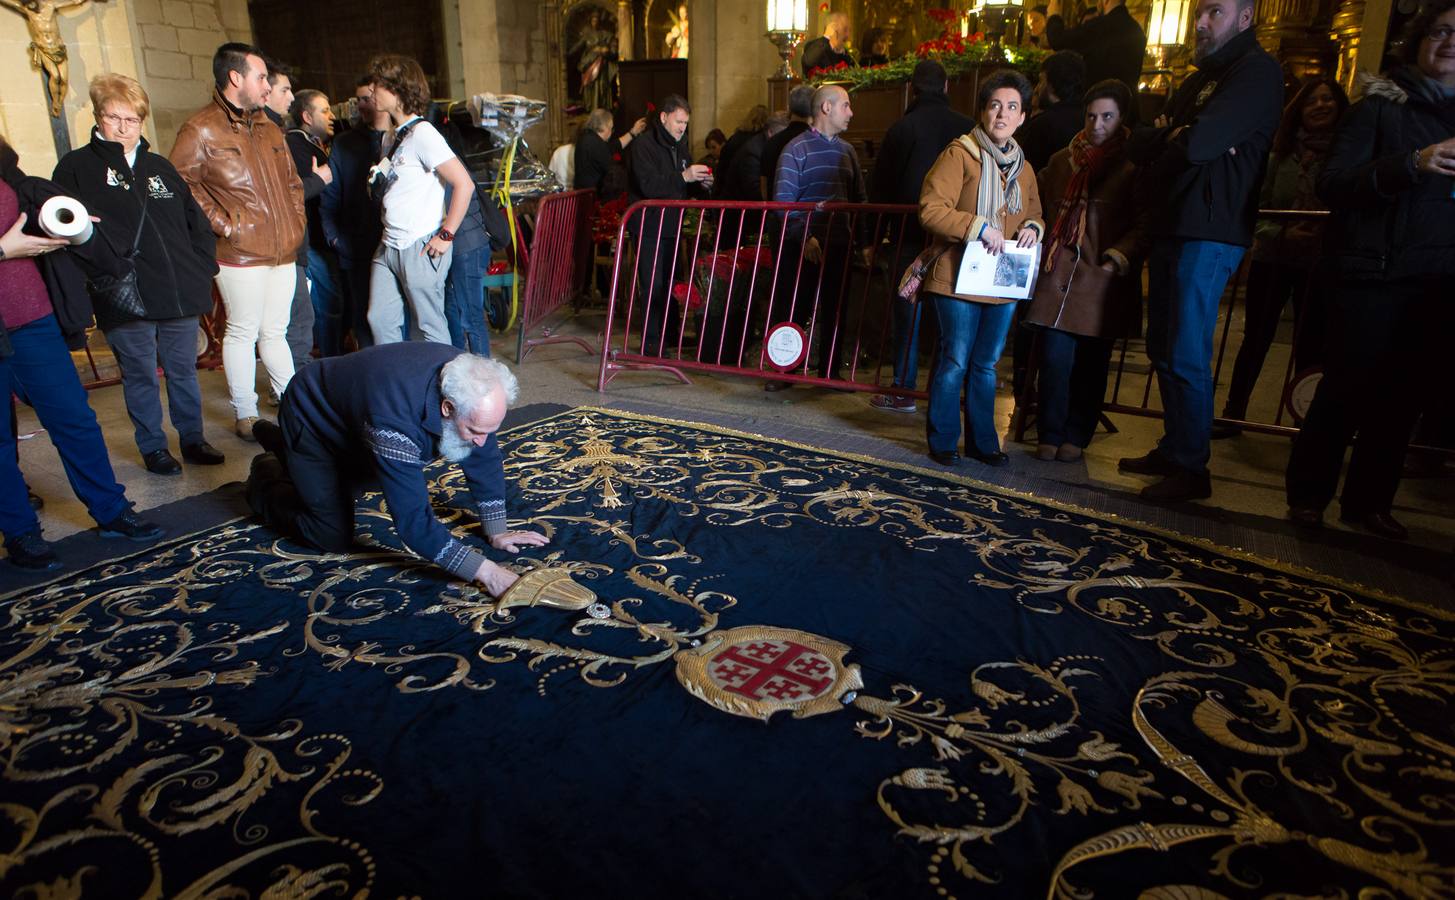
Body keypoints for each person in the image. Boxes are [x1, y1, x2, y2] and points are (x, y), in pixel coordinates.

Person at [1286, 0, 1455, 539]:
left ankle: (1369, 503)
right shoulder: (1379, 108)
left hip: (1435, 282)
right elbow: (1334, 182)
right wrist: (1411, 164)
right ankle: (1309, 496)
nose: (1450, 43)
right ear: (1419, 39)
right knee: (1346, 389)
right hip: (1371, 272)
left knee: (1402, 399)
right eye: (1441, 31)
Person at [1119, 0, 1282, 501]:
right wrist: (1176, 132)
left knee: (1186, 349)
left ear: (1246, 17)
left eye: (1214, 11)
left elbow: (1197, 143)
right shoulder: (1202, 78)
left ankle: (1193, 467)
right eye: (1200, 14)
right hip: (1176, 222)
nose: (1202, 23)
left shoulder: (1256, 74)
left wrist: (1179, 134)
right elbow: (1141, 141)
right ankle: (1175, 448)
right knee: (1163, 347)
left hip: (1211, 229)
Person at [245, 343, 548, 595]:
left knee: (369, 479)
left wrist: (497, 530)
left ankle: (283, 445)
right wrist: (488, 573)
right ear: (447, 408)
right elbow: (413, 523)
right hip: (311, 414)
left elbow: (483, 455)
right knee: (330, 533)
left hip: (352, 414)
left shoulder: (473, 384)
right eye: (474, 429)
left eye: (489, 429)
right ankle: (266, 473)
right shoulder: (394, 422)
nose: (483, 441)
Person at [1, 134, 163, 571]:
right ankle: (20, 532)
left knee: (73, 418)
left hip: (34, 320)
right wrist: (4, 250)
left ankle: (111, 511)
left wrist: (73, 226)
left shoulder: (8, 172)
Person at [51, 73, 226, 476]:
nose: (124, 128)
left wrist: (201, 268)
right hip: (122, 290)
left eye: (133, 120)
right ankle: (153, 447)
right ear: (98, 117)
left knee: (184, 371)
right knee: (140, 374)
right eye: (115, 118)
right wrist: (96, 265)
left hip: (177, 288)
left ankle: (193, 438)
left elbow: (196, 224)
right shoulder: (76, 168)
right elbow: (65, 229)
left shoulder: (159, 167)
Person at [170, 43, 306, 443]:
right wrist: (224, 224)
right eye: (261, 77)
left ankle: (293, 402)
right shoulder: (200, 128)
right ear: (236, 78)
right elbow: (179, 183)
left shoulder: (269, 126)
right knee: (243, 332)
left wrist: (296, 222)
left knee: (276, 331)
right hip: (239, 253)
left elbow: (293, 183)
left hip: (283, 248)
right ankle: (245, 413)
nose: (267, 85)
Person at [918, 69, 1044, 468]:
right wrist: (977, 226)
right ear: (983, 111)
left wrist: (1032, 228)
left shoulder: (1023, 167)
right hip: (957, 277)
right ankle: (942, 440)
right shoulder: (960, 154)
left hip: (1001, 280)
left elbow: (1037, 213)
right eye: (995, 106)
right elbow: (931, 209)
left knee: (986, 365)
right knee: (955, 359)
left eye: (1012, 107)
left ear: (1022, 117)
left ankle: (982, 443)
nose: (1002, 115)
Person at [1214, 77, 1347, 435]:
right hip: (1274, 259)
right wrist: (1283, 231)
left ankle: (1307, 420)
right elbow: (1259, 208)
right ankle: (1233, 412)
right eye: (1312, 101)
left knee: (1312, 344)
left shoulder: (1345, 157)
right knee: (1256, 337)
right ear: (1299, 110)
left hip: (1320, 264)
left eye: (1327, 100)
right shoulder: (1279, 155)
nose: (1320, 106)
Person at [1025, 79, 1148, 462]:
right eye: (1092, 116)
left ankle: (1077, 434)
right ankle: (1050, 430)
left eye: (1107, 117)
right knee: (1055, 359)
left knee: (1092, 364)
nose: (1097, 125)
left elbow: (1146, 221)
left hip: (1099, 276)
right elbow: (1037, 200)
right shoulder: (1064, 161)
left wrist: (1118, 257)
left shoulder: (1133, 164)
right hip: (1059, 274)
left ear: (1121, 119)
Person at [867, 60, 974, 413]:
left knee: (906, 316)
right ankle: (949, 393)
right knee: (953, 319)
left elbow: (881, 188)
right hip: (957, 239)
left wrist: (873, 237)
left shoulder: (902, 128)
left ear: (912, 89)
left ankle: (904, 390)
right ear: (946, 87)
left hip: (907, 236)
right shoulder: (967, 128)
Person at [365, 54, 476, 346]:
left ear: (398, 90)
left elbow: (463, 183)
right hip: (389, 243)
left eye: (378, 85)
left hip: (420, 243)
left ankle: (437, 388)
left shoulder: (424, 133)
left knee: (427, 327)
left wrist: (446, 234)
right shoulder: (392, 137)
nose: (371, 91)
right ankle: (395, 385)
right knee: (380, 320)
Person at [770, 84, 872, 389]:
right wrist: (805, 236)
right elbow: (783, 200)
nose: (851, 112)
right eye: (846, 105)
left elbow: (860, 200)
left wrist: (865, 241)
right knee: (794, 307)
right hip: (801, 246)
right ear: (826, 108)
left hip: (839, 242)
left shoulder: (847, 151)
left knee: (835, 308)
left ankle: (829, 371)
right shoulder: (796, 149)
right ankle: (783, 371)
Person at [625, 94, 713, 354]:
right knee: (653, 284)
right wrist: (684, 176)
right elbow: (649, 185)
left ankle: (670, 334)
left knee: (672, 283)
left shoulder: (680, 146)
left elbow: (682, 184)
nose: (682, 127)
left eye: (686, 123)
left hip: (672, 225)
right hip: (650, 225)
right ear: (663, 117)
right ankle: (652, 342)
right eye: (679, 121)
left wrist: (702, 184)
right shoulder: (643, 146)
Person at [263, 58, 320, 376]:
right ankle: (297, 388)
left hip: (289, 244)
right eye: (285, 90)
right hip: (282, 247)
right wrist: (320, 180)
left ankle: (289, 385)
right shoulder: (269, 134)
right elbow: (283, 193)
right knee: (296, 319)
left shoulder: (274, 131)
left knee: (292, 320)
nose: (290, 97)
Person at [320, 75, 386, 352]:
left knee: (392, 317)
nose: (361, 105)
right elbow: (330, 195)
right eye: (358, 99)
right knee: (363, 316)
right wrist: (335, 238)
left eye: (367, 98)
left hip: (393, 245)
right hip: (355, 246)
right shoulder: (345, 143)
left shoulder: (401, 138)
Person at [1044, 0, 1147, 113]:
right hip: (1128, 107)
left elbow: (1058, 40)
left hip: (1100, 108)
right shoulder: (1137, 30)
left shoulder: (1101, 27)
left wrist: (1054, 16)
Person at [1019, 51, 1088, 172]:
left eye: (1041, 81)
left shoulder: (1042, 125)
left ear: (1050, 85)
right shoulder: (1088, 118)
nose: (1037, 89)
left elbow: (1025, 175)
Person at [574, 108, 647, 195]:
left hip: (582, 194)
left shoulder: (587, 137)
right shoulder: (596, 144)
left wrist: (632, 132)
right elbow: (613, 172)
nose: (611, 132)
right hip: (591, 197)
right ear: (605, 126)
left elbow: (613, 146)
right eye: (611, 128)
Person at [761, 85, 813, 198]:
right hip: (804, 212)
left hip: (774, 209)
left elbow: (764, 185)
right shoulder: (813, 143)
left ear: (789, 109)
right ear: (814, 110)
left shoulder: (772, 142)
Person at [801, 12, 854, 76]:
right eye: (845, 29)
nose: (848, 35)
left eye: (849, 30)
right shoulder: (815, 46)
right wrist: (826, 37)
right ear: (833, 28)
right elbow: (808, 63)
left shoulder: (845, 54)